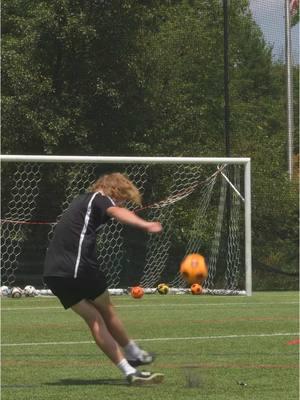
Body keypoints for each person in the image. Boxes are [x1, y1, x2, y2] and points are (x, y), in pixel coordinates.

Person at [43, 172, 164, 385]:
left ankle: (129, 370)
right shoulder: (99, 198)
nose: (122, 203)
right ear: (114, 191)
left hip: (54, 273)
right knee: (106, 309)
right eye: (123, 198)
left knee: (94, 319)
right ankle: (133, 353)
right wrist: (145, 225)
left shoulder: (82, 201)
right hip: (77, 266)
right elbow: (117, 212)